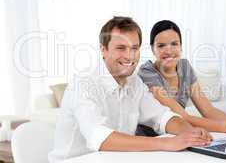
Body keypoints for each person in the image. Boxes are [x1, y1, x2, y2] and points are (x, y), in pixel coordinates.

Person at [48, 16, 212, 163]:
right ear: (103, 50)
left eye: (134, 48)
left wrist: (191, 133)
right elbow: (100, 138)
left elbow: (162, 117)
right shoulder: (84, 84)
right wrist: (166, 142)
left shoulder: (134, 82)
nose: (130, 56)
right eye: (121, 48)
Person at [137, 20, 226, 136]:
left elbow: (208, 110)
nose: (169, 50)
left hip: (179, 135)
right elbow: (182, 117)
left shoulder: (185, 67)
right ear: (152, 49)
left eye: (174, 44)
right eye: (161, 45)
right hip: (153, 138)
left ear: (181, 47)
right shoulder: (147, 72)